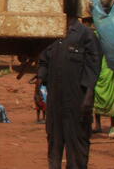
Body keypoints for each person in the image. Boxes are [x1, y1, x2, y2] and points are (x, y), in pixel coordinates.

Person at [38, 18, 100, 169]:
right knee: (54, 142)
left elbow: (93, 67)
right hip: (55, 100)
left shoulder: (86, 35)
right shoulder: (52, 34)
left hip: (77, 99)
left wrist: (88, 96)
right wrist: (38, 87)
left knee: (77, 143)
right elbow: (43, 61)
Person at [94, 52, 114, 134]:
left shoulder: (113, 56)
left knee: (112, 99)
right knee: (97, 101)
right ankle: (98, 125)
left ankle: (112, 126)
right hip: (101, 75)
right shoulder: (100, 55)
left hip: (110, 76)